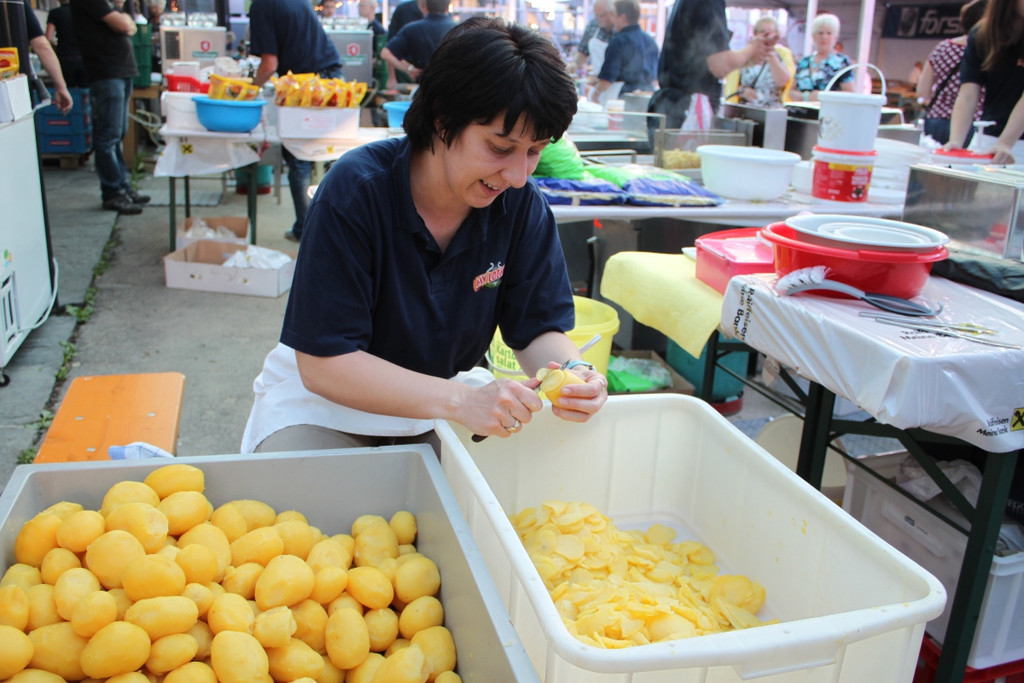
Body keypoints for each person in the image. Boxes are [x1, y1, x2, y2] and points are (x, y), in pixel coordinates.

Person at [241, 16, 608, 455]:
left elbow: (535, 329)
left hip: (442, 404)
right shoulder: (357, 192)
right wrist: (461, 400)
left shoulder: (521, 206)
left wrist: (574, 372)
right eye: (500, 147)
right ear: (442, 118)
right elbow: (324, 365)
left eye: (534, 152)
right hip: (327, 404)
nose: (516, 175)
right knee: (305, 502)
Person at [249, 0, 343, 243]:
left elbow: (269, 64)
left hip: (306, 85)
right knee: (332, 155)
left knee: (299, 160)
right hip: (332, 77)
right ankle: (330, 228)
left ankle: (307, 231)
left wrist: (249, 90)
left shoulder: (262, 6)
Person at [70, 0, 148, 214]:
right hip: (106, 72)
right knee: (108, 135)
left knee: (118, 132)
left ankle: (122, 187)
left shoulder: (110, 5)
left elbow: (130, 25)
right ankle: (113, 191)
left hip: (119, 72)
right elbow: (126, 26)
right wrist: (123, 20)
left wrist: (123, 17)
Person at [647, 0, 772, 129]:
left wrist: (748, 58)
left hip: (676, 108)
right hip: (686, 113)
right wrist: (752, 49)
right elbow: (720, 65)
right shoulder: (708, 2)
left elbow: (706, 63)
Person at [944, 0, 1024, 163]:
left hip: (1006, 143)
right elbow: (968, 93)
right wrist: (955, 142)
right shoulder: (982, 34)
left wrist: (1005, 143)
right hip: (988, 139)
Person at [916, 0, 987, 145]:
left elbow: (923, 91)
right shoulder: (987, 51)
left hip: (937, 119)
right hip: (972, 123)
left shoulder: (943, 47)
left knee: (934, 165)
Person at [591, 0, 658, 103]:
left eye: (614, 15)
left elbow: (606, 80)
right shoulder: (650, 41)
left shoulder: (618, 42)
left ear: (623, 17)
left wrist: (595, 94)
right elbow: (656, 77)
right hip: (649, 99)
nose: (612, 20)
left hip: (624, 100)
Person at [380, 0, 454, 89]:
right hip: (451, 87)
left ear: (424, 7)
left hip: (423, 86)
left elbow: (385, 53)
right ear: (447, 7)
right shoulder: (459, 29)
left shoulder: (412, 29)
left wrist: (408, 69)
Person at [723, 16, 794, 106]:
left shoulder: (782, 55)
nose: (766, 36)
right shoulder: (746, 54)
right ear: (755, 34)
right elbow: (733, 84)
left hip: (772, 111)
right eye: (762, 32)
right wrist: (743, 91)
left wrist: (771, 55)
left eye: (770, 33)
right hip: (746, 109)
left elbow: (783, 81)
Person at [790, 13, 854, 102]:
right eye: (820, 33)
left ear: (835, 37)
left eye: (829, 33)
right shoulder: (804, 62)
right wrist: (806, 96)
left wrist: (823, 96)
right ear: (813, 36)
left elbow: (849, 93)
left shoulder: (842, 62)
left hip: (830, 113)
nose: (824, 37)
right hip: (801, 112)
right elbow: (791, 91)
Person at [46, 0, 87, 88]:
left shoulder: (55, 13)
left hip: (64, 58)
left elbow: (48, 37)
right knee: (85, 92)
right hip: (84, 57)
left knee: (67, 89)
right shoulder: (84, 12)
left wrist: (55, 44)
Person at [574, 0, 613, 78]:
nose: (596, 18)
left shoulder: (621, 30)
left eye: (600, 15)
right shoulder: (593, 26)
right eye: (595, 14)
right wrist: (575, 64)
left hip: (616, 84)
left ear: (611, 13)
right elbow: (582, 52)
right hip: (596, 80)